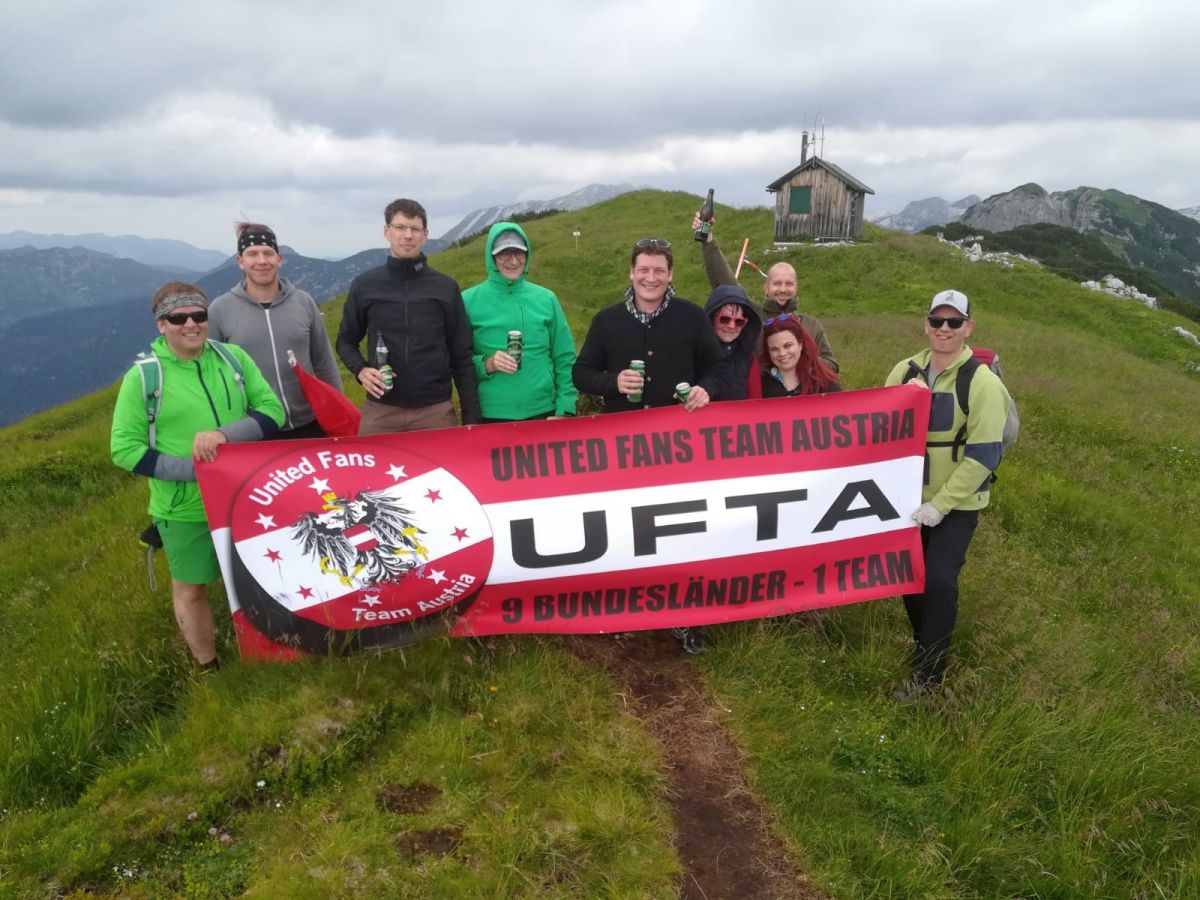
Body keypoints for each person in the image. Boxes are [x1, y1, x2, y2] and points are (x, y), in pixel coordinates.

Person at [111, 282, 284, 669]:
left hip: (246, 496)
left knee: (263, 573)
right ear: (161, 325)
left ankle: (278, 647)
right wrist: (199, 473)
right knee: (191, 589)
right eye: (178, 318)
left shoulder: (233, 359)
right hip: (184, 506)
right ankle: (209, 667)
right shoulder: (144, 379)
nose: (191, 324)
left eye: (198, 315)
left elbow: (272, 410)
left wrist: (224, 435)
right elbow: (124, 449)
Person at [573, 238, 728, 655]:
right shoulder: (607, 320)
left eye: (659, 270)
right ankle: (623, 607)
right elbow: (581, 372)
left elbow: (717, 366)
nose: (651, 277)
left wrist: (706, 389)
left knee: (678, 528)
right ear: (631, 272)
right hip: (621, 447)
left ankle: (684, 615)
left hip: (678, 447)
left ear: (670, 274)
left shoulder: (691, 317)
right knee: (623, 526)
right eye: (643, 269)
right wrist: (611, 383)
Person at [884, 290, 1011, 702]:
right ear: (926, 324)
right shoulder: (904, 370)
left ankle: (929, 678)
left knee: (938, 580)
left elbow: (984, 456)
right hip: (906, 500)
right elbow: (880, 430)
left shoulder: (982, 383)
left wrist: (939, 506)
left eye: (953, 322)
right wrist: (904, 399)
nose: (944, 329)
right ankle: (926, 646)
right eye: (937, 321)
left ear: (968, 328)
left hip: (957, 505)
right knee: (909, 579)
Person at [335, 198, 481, 434]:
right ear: (387, 232)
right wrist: (360, 370)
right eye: (400, 227)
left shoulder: (445, 288)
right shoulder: (365, 285)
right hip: (380, 411)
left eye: (415, 229)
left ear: (425, 235)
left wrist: (471, 417)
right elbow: (345, 340)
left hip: (435, 412)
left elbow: (462, 355)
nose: (408, 235)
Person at [209, 222, 343, 439]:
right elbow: (212, 374)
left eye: (268, 253)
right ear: (240, 261)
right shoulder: (220, 309)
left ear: (279, 259)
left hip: (310, 423)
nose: (262, 261)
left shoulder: (303, 302)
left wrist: (338, 413)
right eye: (252, 254)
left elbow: (324, 362)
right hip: (254, 427)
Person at [692, 210, 838, 372]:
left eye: (789, 284)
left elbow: (832, 366)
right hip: (760, 388)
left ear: (796, 287)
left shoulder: (812, 325)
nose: (783, 289)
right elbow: (725, 282)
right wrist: (707, 238)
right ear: (766, 287)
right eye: (777, 284)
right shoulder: (752, 316)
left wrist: (798, 361)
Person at [462, 222, 577, 421]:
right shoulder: (468, 301)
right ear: (491, 257)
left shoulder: (546, 299)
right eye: (504, 254)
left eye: (519, 253)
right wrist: (488, 364)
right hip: (491, 415)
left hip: (544, 411)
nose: (514, 261)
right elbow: (458, 362)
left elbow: (564, 356)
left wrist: (565, 409)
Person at [703, 283, 763, 401]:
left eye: (739, 321)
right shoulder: (694, 354)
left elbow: (756, 404)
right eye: (725, 319)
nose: (731, 326)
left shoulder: (749, 360)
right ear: (712, 318)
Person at [759, 314, 841, 397]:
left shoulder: (824, 383)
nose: (782, 353)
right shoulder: (760, 385)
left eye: (787, 345)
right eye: (774, 349)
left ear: (800, 344)